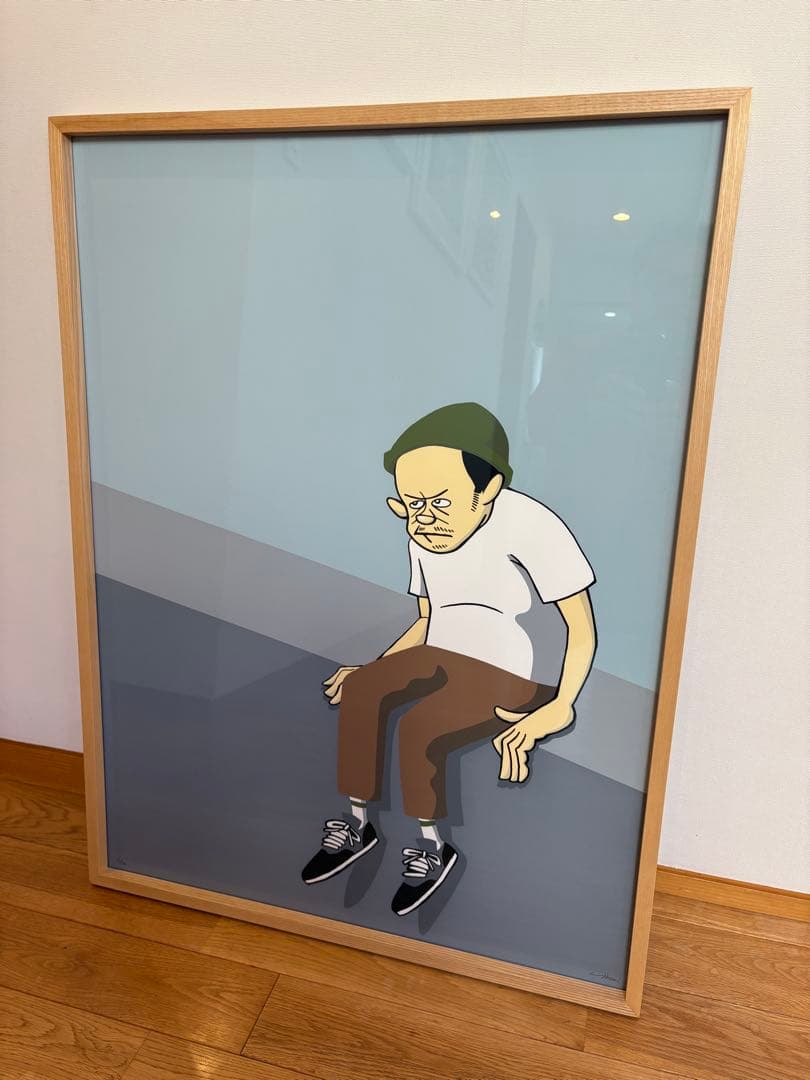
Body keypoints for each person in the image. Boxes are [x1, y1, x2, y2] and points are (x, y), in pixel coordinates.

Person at [301, 402, 597, 915]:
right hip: (443, 650)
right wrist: (374, 668)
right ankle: (357, 825)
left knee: (422, 727)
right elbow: (427, 618)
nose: (423, 518)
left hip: (511, 669)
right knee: (364, 689)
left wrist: (559, 704)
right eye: (411, 503)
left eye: (439, 501)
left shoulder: (534, 525)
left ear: (488, 490)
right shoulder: (423, 532)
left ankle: (432, 847)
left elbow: (581, 628)